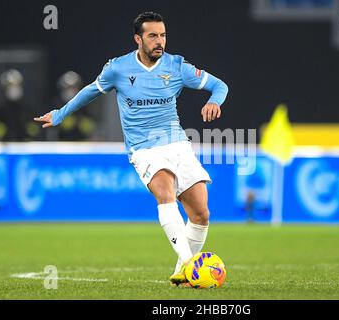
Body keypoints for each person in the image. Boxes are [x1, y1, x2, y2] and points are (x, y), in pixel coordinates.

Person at [34, 11, 228, 286]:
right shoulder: (118, 68)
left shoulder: (177, 66)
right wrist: (61, 113)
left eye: (162, 35)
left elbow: (220, 85)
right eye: (152, 36)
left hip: (177, 143)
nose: (159, 41)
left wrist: (214, 101)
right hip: (143, 148)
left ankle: (182, 274)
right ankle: (189, 264)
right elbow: (91, 90)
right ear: (138, 39)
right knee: (165, 190)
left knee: (201, 213)